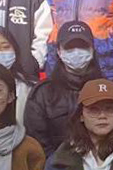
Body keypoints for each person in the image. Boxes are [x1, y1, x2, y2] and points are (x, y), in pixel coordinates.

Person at [24, 20, 102, 158]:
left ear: (92, 49)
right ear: (59, 51)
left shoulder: (105, 89)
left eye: (82, 46)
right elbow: (37, 143)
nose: (77, 52)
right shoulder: (43, 93)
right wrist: (58, 165)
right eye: (70, 47)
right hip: (54, 166)